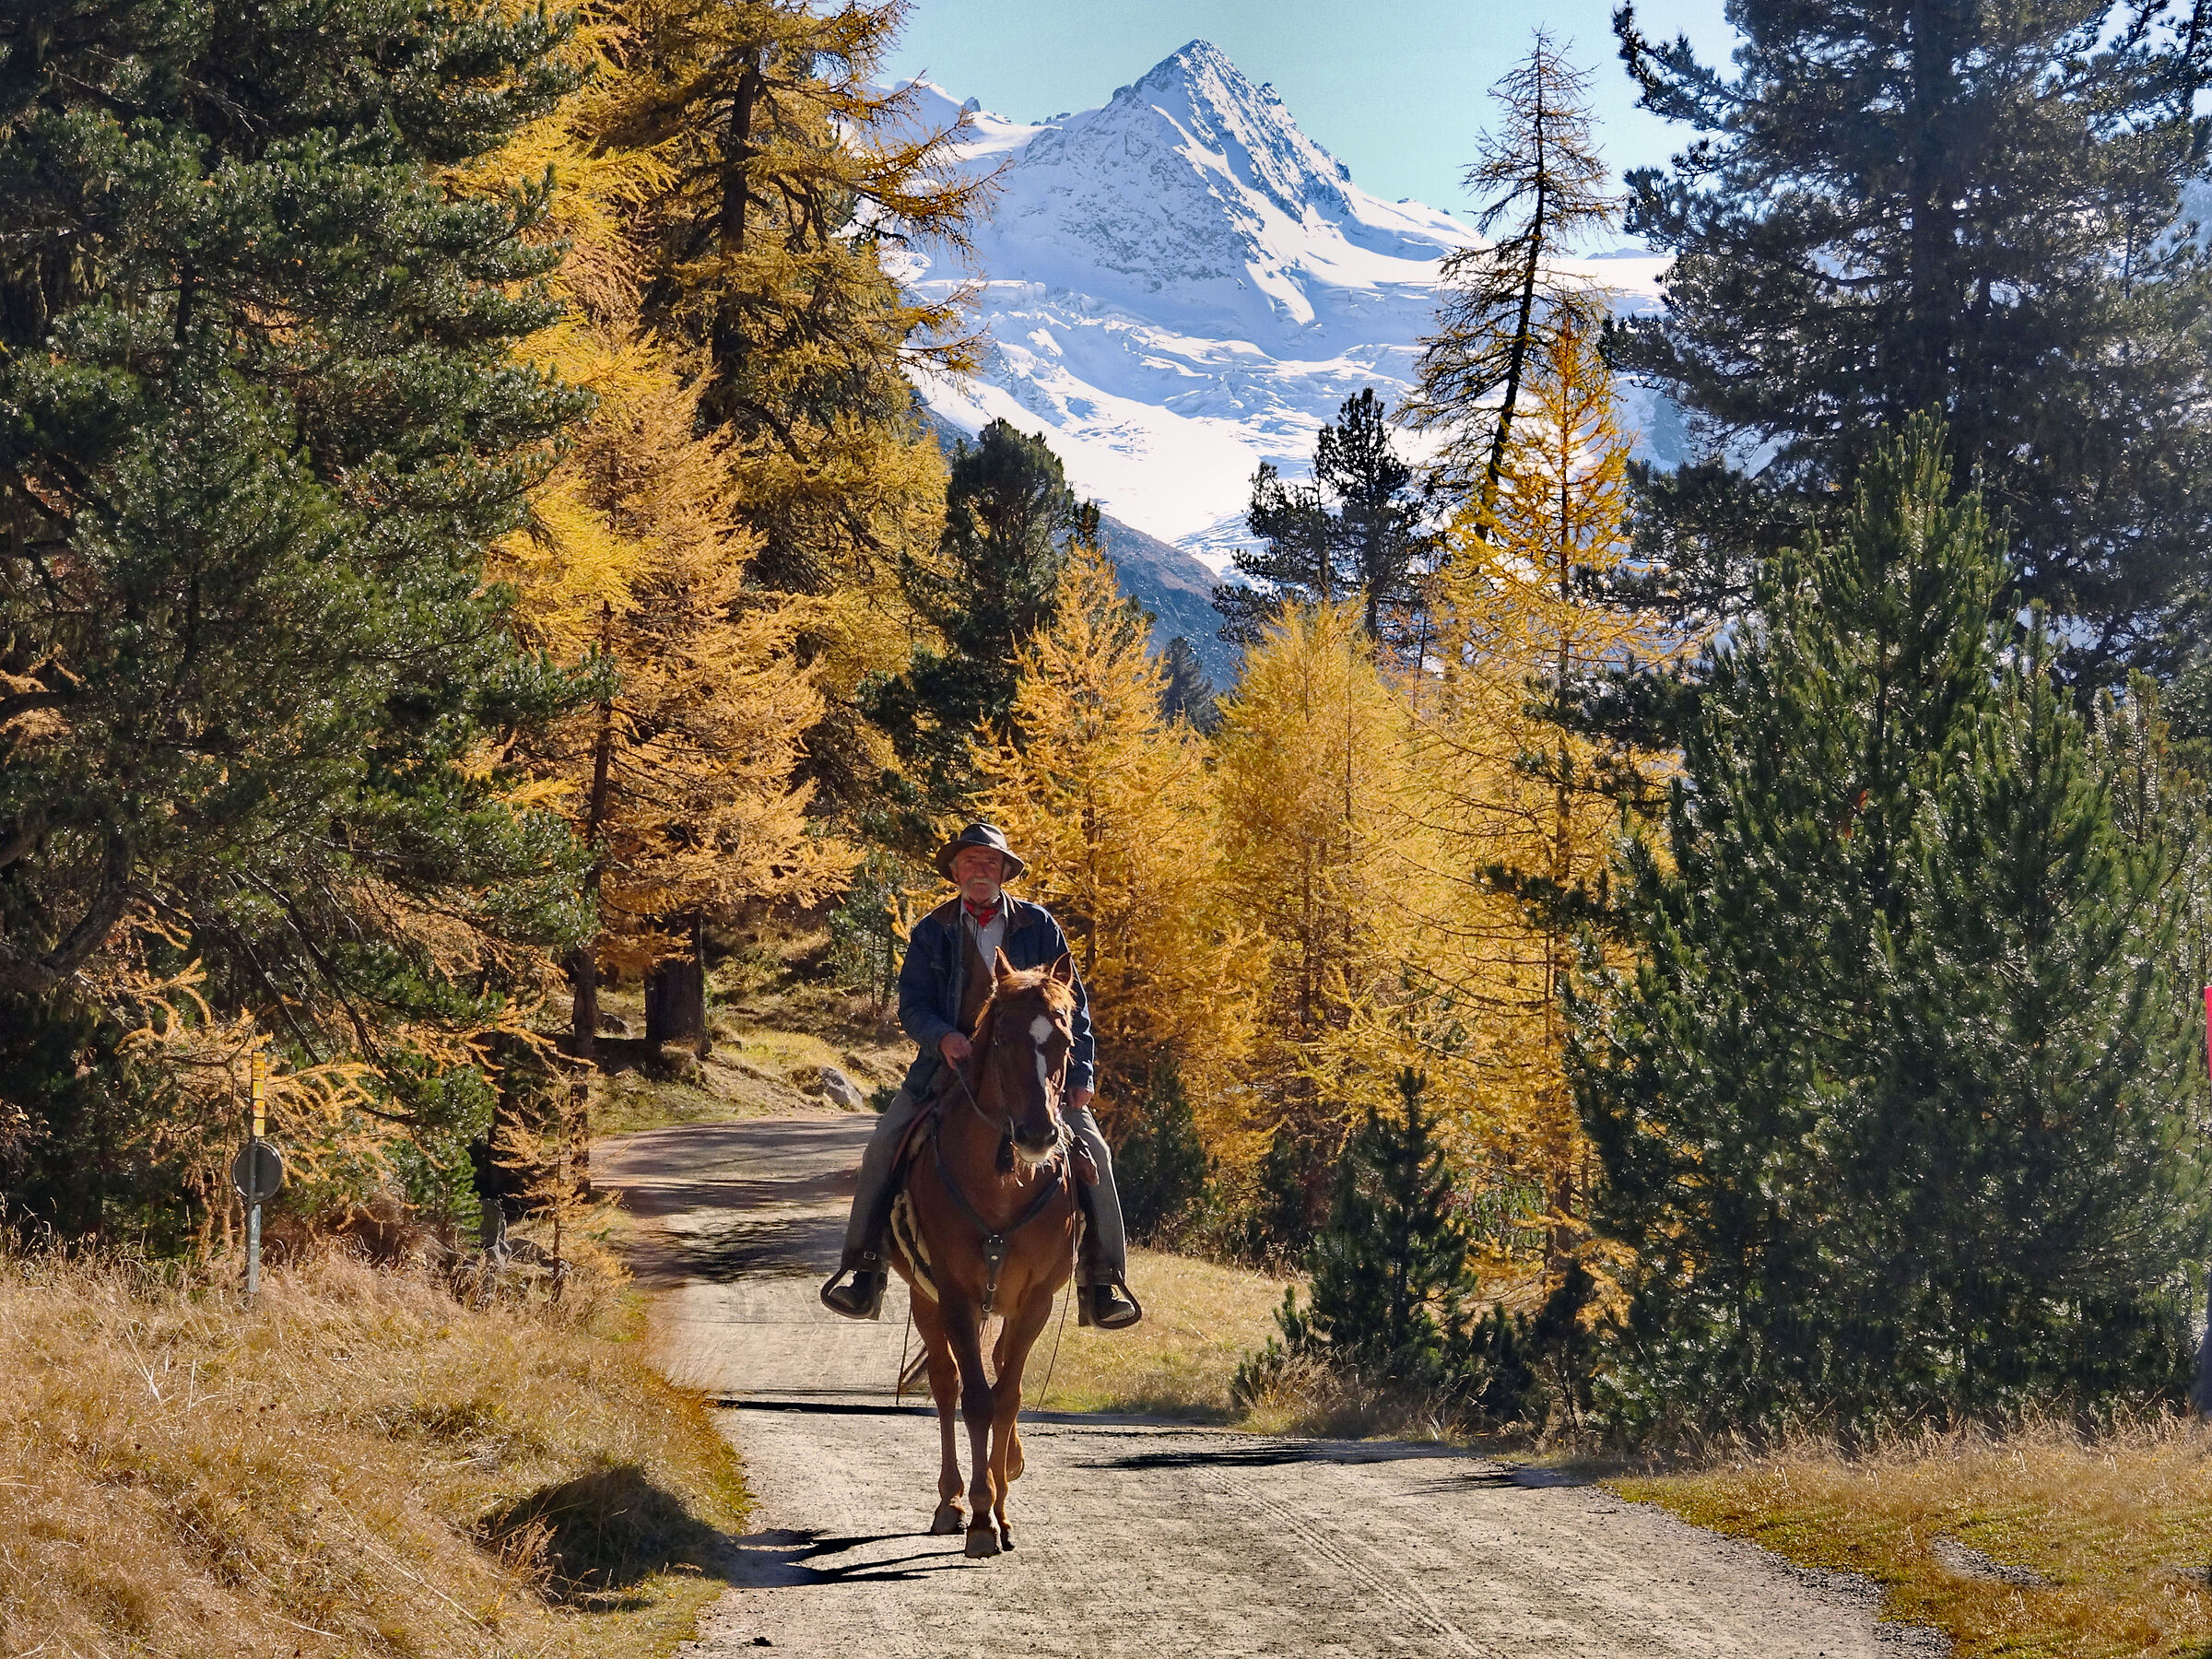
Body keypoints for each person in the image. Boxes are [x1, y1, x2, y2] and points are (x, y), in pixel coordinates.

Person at [819, 822, 1142, 1330]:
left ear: (1004, 872)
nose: (979, 870)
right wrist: (943, 1036)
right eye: (970, 862)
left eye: (990, 862)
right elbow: (914, 1004)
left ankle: (1103, 1281)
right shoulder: (932, 930)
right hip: (944, 1069)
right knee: (883, 1145)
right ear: (954, 872)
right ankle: (864, 1269)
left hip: (1030, 1074)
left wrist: (1080, 1073)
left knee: (1095, 1152)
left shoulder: (1039, 926)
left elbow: (1069, 1012)